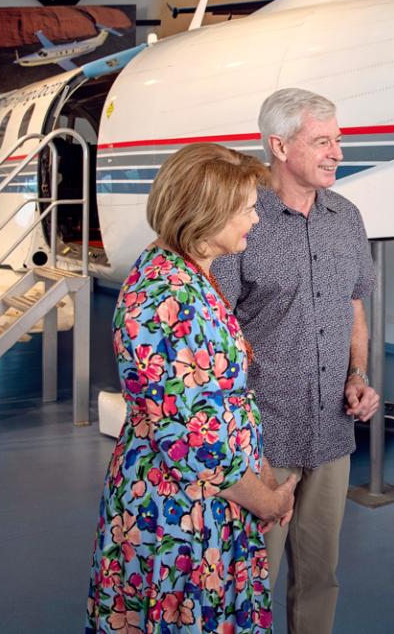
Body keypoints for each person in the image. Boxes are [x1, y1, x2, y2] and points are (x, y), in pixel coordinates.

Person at [86, 143, 298, 634]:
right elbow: (186, 438)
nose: (255, 220)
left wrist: (262, 476)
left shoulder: (192, 277)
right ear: (207, 213)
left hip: (216, 503)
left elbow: (227, 398)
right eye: (246, 209)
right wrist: (264, 500)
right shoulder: (165, 294)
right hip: (179, 516)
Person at [211, 87, 379, 634]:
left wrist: (358, 375)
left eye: (338, 140)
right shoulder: (241, 220)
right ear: (279, 146)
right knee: (249, 576)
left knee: (320, 574)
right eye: (323, 141)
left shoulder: (347, 217)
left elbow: (354, 303)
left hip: (332, 432)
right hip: (264, 436)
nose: (337, 153)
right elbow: (218, 330)